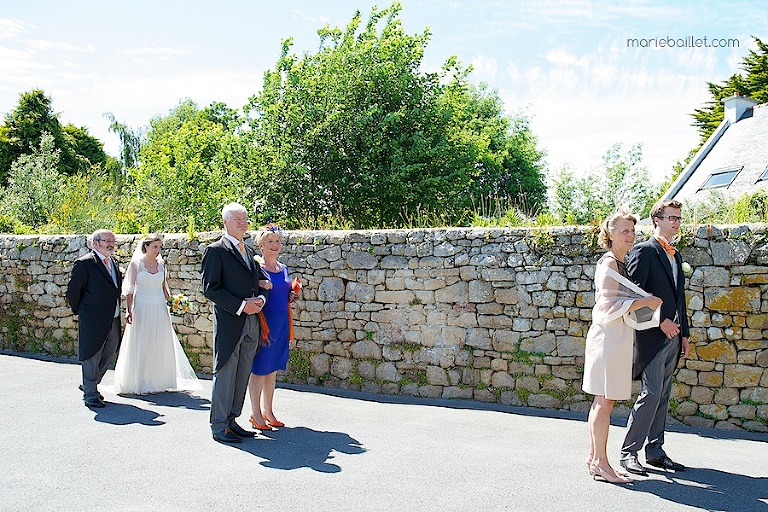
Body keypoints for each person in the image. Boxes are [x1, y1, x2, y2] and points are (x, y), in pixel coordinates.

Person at [582, 209, 663, 484]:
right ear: (611, 234)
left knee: (603, 401)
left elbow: (617, 300)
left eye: (632, 231)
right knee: (604, 402)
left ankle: (595, 460)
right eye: (624, 231)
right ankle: (601, 463)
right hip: (608, 339)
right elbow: (606, 306)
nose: (631, 236)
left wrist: (642, 299)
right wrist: (645, 302)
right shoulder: (609, 263)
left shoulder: (619, 262)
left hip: (614, 338)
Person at [620, 199, 690, 476]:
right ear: (656, 220)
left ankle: (656, 451)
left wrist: (684, 334)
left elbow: (679, 299)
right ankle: (628, 453)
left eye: (678, 218)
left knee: (663, 394)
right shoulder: (644, 251)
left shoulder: (676, 255)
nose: (676, 222)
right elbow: (633, 295)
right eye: (671, 218)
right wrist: (661, 322)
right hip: (652, 336)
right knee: (650, 394)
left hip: (674, 336)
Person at [202, 202, 269, 444]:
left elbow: (262, 282)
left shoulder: (249, 251)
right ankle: (219, 425)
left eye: (244, 218)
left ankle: (232, 420)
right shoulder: (215, 251)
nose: (242, 222)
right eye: (237, 218)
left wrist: (261, 300)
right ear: (225, 222)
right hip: (231, 322)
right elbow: (211, 289)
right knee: (226, 373)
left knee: (242, 374)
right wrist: (241, 305)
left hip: (252, 322)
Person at [112, 235, 202, 395]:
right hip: (142, 306)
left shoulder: (161, 264)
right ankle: (140, 381)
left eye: (160, 247)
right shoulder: (136, 264)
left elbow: (164, 288)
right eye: (155, 246)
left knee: (159, 342)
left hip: (159, 307)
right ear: (146, 246)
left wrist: (175, 303)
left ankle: (158, 380)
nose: (158, 250)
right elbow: (130, 290)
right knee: (143, 342)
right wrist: (129, 310)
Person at [247, 225, 300, 431]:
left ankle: (268, 412)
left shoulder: (283, 268)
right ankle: (255, 413)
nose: (274, 245)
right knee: (260, 368)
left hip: (281, 323)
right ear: (261, 245)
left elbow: (282, 293)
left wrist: (292, 295)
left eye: (277, 241)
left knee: (272, 369)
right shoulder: (256, 268)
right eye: (270, 241)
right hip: (264, 323)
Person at [66, 229, 123, 409]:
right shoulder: (85, 263)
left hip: (113, 317)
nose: (111, 244)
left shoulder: (113, 262)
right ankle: (90, 394)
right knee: (91, 355)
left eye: (113, 241)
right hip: (93, 318)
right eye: (107, 241)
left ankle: (90, 383)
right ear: (95, 243)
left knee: (110, 352)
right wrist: (83, 312)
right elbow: (73, 292)